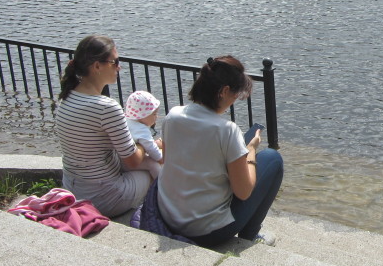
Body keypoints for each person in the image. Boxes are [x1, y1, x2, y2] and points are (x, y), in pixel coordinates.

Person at [157, 55, 284, 247]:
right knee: (272, 158)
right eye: (236, 94)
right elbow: (243, 192)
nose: (235, 100)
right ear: (224, 91)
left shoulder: (172, 116)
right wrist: (250, 151)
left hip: (168, 217)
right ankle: (249, 235)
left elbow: (166, 162)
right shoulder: (226, 130)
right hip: (206, 232)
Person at [54, 35, 151, 218]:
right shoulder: (106, 107)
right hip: (102, 198)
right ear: (97, 66)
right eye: (115, 62)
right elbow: (133, 161)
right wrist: (147, 143)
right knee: (154, 170)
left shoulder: (66, 97)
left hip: (74, 189)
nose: (119, 67)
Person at [124, 90, 163, 180]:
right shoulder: (141, 130)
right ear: (142, 115)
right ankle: (161, 188)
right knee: (153, 165)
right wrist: (162, 159)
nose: (156, 117)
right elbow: (152, 149)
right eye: (154, 114)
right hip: (128, 162)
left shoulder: (126, 120)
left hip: (119, 159)